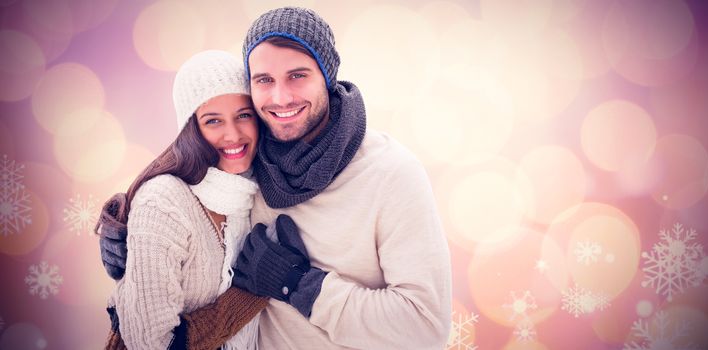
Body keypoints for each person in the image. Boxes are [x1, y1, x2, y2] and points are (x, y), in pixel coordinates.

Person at [100, 7, 452, 349]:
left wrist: (298, 284)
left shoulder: (391, 173)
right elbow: (185, 194)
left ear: (327, 76)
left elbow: (425, 325)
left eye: (298, 75)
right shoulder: (252, 155)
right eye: (264, 80)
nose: (280, 98)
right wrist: (132, 235)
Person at [99, 50, 269, 350]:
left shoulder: (249, 192)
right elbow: (153, 344)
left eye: (244, 115)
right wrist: (250, 292)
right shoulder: (164, 200)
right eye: (213, 120)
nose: (233, 134)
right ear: (191, 129)